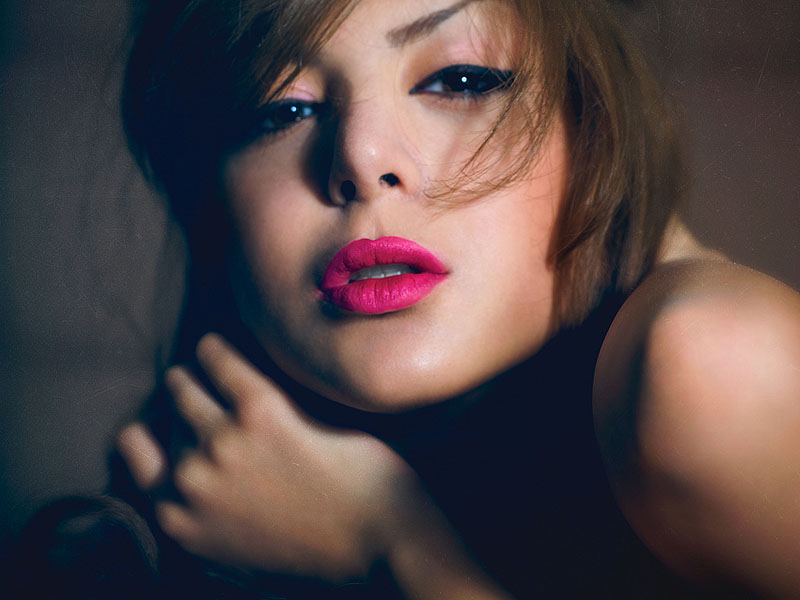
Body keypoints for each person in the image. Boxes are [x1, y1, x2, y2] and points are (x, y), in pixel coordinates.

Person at [25, 0, 800, 598]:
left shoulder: (711, 365)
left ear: (590, 111)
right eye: (281, 107)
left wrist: (395, 546)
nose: (361, 158)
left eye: (460, 80)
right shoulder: (241, 489)